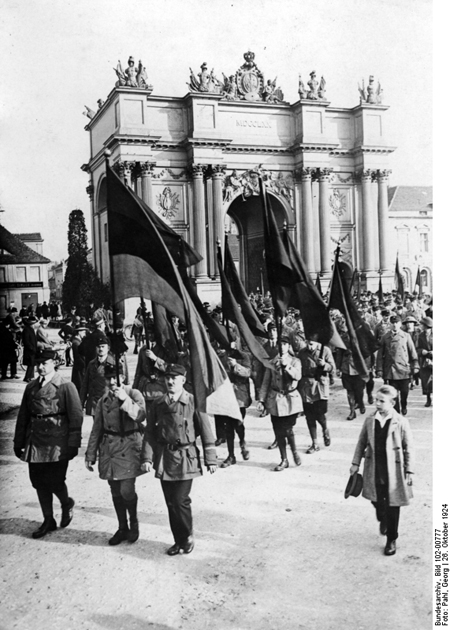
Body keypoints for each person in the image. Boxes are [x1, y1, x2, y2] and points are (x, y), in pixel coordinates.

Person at [141, 364, 217, 555]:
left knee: (180, 499)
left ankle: (187, 536)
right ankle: (178, 540)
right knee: (170, 502)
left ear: (183, 380)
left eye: (175, 378)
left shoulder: (193, 402)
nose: (170, 381)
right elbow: (150, 433)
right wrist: (147, 458)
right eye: (168, 377)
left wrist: (211, 459)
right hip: (165, 458)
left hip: (185, 457)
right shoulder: (158, 404)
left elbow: (206, 431)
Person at [13, 348, 83, 538]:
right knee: (38, 482)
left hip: (57, 442)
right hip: (35, 441)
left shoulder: (66, 386)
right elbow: (23, 416)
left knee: (55, 481)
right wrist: (18, 441)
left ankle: (66, 502)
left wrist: (73, 443)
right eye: (38, 363)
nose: (40, 367)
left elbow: (76, 416)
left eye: (44, 363)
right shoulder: (31, 387)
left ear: (55, 363)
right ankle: (48, 519)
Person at [349, 385, 414, 556]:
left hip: (393, 470)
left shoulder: (401, 422)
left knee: (393, 504)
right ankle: (382, 516)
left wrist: (409, 470)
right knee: (376, 500)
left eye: (381, 401)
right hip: (374, 467)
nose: (377, 404)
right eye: (376, 400)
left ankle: (391, 539)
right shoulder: (370, 420)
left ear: (392, 403)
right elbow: (361, 442)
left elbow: (409, 448)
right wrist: (355, 463)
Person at [85, 362, 147, 545]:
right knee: (114, 490)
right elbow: (96, 429)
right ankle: (122, 527)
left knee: (126, 489)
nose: (112, 381)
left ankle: (134, 523)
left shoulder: (134, 393)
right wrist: (90, 454)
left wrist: (125, 401)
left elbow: (143, 418)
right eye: (108, 378)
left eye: (115, 377)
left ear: (123, 377)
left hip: (128, 447)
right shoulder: (103, 401)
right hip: (109, 450)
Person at [258, 335, 303, 471]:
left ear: (288, 346)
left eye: (284, 344)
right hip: (275, 399)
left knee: (288, 429)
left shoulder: (295, 361)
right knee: (278, 431)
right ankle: (284, 459)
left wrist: (286, 366)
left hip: (290, 399)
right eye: (280, 344)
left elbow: (297, 376)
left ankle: (294, 451)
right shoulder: (272, 362)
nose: (282, 347)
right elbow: (266, 382)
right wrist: (261, 400)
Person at [297, 336, 336, 453]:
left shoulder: (325, 351)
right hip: (306, 387)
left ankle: (325, 429)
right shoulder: (302, 353)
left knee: (320, 414)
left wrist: (324, 365)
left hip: (320, 387)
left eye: (312, 343)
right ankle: (314, 443)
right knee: (309, 417)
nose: (310, 345)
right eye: (308, 342)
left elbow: (333, 369)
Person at [217, 343, 251, 468]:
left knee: (238, 424)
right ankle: (231, 456)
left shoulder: (245, 357)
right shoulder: (222, 356)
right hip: (226, 395)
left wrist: (236, 365)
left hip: (240, 398)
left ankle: (242, 442)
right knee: (228, 427)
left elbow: (247, 372)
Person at [376, 315, 419, 415]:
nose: (395, 325)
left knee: (404, 392)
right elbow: (380, 355)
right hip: (391, 370)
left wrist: (415, 365)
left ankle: (404, 404)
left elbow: (412, 352)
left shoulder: (406, 336)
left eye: (397, 323)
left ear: (400, 324)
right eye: (393, 323)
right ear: (390, 324)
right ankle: (397, 412)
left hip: (403, 369)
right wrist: (379, 369)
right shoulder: (385, 337)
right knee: (393, 394)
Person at [80, 333, 116, 416]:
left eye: (103, 346)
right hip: (94, 403)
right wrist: (81, 402)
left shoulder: (113, 363)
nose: (100, 349)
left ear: (108, 348)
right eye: (98, 347)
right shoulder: (91, 364)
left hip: (108, 402)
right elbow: (85, 384)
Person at [417, 316, 433, 407]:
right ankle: (428, 399)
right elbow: (417, 348)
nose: (421, 326)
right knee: (426, 380)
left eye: (422, 325)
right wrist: (422, 351)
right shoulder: (421, 336)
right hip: (424, 361)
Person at [71, 319, 89, 393]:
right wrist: (85, 365)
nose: (84, 334)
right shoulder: (76, 343)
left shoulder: (78, 341)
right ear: (79, 332)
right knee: (79, 385)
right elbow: (78, 357)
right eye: (83, 332)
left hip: (79, 367)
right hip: (79, 368)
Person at [22, 316, 38, 382]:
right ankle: (27, 377)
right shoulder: (27, 329)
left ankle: (31, 376)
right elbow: (26, 341)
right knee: (30, 364)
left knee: (32, 364)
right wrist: (31, 348)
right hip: (29, 350)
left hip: (32, 349)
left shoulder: (30, 329)